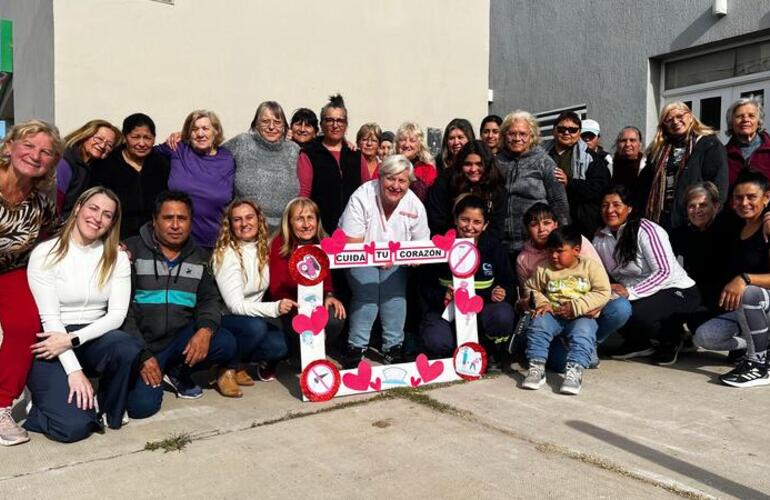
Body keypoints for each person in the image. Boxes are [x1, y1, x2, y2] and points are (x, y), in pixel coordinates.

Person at [25, 187, 141, 442]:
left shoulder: (117, 258)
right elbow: (50, 319)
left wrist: (74, 339)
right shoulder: (46, 253)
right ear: (78, 208)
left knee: (126, 346)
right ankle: (42, 408)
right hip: (51, 340)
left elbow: (116, 316)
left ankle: (108, 409)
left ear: (112, 223)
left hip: (89, 336)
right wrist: (74, 371)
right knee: (73, 428)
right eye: (93, 208)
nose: (98, 218)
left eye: (107, 214)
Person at [123, 191, 237, 418]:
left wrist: (205, 330)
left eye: (182, 219)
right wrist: (142, 355)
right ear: (155, 221)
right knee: (140, 408)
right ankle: (150, 371)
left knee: (225, 342)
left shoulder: (200, 257)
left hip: (177, 342)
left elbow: (208, 300)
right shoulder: (130, 251)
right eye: (168, 218)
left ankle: (176, 372)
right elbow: (122, 312)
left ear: (191, 223)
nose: (175, 225)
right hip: (141, 346)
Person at [0, 120, 63, 446]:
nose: (36, 155)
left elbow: (60, 233)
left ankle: (1, 404)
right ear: (9, 146)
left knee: (26, 323)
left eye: (46, 152)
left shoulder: (40, 202)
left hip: (12, 270)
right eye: (28, 146)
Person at [338, 155, 430, 367]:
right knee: (368, 291)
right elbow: (353, 243)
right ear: (380, 177)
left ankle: (393, 347)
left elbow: (421, 245)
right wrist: (380, 257)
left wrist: (408, 258)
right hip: (359, 254)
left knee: (394, 293)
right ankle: (356, 346)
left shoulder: (414, 204)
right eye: (390, 179)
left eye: (402, 181)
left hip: (395, 259)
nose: (396, 186)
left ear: (409, 183)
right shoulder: (362, 196)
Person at [594, 185, 701, 365]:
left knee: (634, 313)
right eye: (605, 205)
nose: (610, 210)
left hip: (675, 289)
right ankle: (640, 343)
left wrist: (629, 293)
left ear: (629, 208)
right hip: (637, 292)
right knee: (613, 308)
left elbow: (664, 272)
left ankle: (673, 338)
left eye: (616, 205)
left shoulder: (647, 230)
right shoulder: (600, 237)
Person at [516, 203, 630, 370]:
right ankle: (559, 348)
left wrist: (586, 307)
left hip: (584, 309)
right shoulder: (524, 259)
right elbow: (529, 293)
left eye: (547, 223)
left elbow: (600, 284)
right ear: (527, 229)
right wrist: (539, 304)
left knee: (620, 308)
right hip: (553, 314)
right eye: (534, 225)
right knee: (560, 364)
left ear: (555, 224)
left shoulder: (576, 241)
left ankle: (588, 343)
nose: (541, 229)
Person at [694, 170, 770, 386]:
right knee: (704, 337)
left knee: (749, 292)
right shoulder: (734, 225)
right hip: (746, 309)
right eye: (738, 197)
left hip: (761, 300)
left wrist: (745, 279)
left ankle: (759, 365)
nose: (744, 202)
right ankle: (761, 346)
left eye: (751, 197)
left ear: (766, 198)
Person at [420, 194, 516, 363]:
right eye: (465, 220)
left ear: (485, 225)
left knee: (503, 315)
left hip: (482, 310)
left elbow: (508, 281)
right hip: (445, 311)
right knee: (437, 341)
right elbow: (424, 285)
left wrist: (501, 292)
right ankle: (450, 350)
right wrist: (443, 295)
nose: (470, 227)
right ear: (456, 220)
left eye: (477, 222)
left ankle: (490, 350)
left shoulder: (494, 248)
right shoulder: (440, 246)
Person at [211, 199, 293, 395]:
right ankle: (226, 369)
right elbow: (235, 306)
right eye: (237, 220)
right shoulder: (226, 254)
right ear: (229, 225)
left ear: (259, 219)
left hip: (252, 319)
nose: (244, 223)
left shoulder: (265, 248)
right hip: (224, 321)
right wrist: (274, 308)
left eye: (249, 217)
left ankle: (240, 364)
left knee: (283, 343)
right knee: (255, 327)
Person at [521, 225, 611, 395]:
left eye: (560, 251)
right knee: (538, 324)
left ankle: (574, 371)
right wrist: (542, 303)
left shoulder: (590, 267)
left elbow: (603, 292)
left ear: (576, 250)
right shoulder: (543, 269)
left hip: (581, 316)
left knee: (584, 332)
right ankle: (536, 367)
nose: (554, 256)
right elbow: (531, 289)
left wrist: (577, 306)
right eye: (551, 251)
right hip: (552, 315)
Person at [268, 197, 346, 361]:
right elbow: (278, 289)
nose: (306, 224)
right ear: (289, 222)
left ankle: (318, 349)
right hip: (289, 307)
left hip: (314, 302)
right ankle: (297, 352)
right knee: (299, 327)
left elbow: (326, 281)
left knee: (335, 316)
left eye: (310, 218)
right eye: (299, 219)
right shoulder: (279, 244)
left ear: (317, 221)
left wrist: (329, 296)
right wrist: (305, 308)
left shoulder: (322, 243)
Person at [638, 101, 728, 232]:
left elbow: (719, 183)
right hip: (662, 218)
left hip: (695, 218)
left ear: (690, 116)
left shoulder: (709, 144)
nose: (675, 122)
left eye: (680, 116)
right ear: (664, 125)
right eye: (669, 119)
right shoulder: (658, 150)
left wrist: (714, 216)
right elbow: (644, 185)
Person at [495, 110, 569, 259]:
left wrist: (563, 238)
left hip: (535, 243)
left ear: (531, 137)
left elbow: (559, 202)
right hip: (501, 243)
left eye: (522, 134)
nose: (517, 138)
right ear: (504, 135)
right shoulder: (497, 161)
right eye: (512, 133)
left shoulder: (544, 162)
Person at [158, 110, 235, 249]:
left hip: (215, 243)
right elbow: (142, 150)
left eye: (205, 128)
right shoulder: (178, 148)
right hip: (177, 242)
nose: (200, 134)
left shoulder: (228, 158)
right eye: (194, 129)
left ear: (216, 131)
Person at [90, 113, 169, 239]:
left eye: (147, 138)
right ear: (125, 137)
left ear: (154, 138)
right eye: (135, 137)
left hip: (152, 239)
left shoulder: (161, 164)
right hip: (115, 237)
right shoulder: (107, 164)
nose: (142, 143)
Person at [224, 101, 300, 231]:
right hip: (245, 229)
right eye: (265, 121)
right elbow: (211, 153)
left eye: (277, 122)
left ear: (284, 126)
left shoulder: (294, 150)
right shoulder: (242, 143)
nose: (271, 127)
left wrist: (343, 143)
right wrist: (183, 139)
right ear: (256, 124)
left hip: (284, 232)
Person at [297, 94, 362, 234]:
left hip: (354, 232)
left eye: (340, 120)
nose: (335, 125)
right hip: (320, 230)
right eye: (329, 120)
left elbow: (367, 193)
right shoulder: (309, 154)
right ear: (321, 124)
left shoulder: (356, 156)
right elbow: (304, 196)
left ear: (346, 125)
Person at [671, 182, 727, 336]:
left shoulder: (728, 231)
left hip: (724, 300)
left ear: (715, 206)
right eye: (692, 206)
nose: (697, 210)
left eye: (703, 205)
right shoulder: (679, 235)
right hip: (694, 298)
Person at [544, 111, 611, 239]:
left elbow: (599, 188)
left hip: (579, 224)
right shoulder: (540, 155)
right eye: (562, 129)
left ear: (579, 133)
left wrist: (569, 182)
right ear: (554, 130)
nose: (567, 133)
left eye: (572, 130)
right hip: (546, 221)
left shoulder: (591, 158)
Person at [426, 140, 506, 239]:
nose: (473, 169)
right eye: (468, 164)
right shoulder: (444, 184)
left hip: (485, 246)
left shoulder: (496, 189)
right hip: (449, 243)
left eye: (479, 164)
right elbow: (436, 221)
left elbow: (496, 228)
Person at [56, 119, 123, 218]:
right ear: (85, 135)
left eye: (109, 145)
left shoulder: (95, 168)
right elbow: (54, 205)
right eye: (99, 139)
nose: (103, 146)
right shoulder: (65, 163)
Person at [725, 98, 770, 185]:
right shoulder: (723, 154)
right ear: (731, 123)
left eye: (751, 116)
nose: (745, 120)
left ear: (759, 122)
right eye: (739, 116)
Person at [394, 121, 438, 200]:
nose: (407, 144)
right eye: (402, 140)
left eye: (412, 140)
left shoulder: (428, 170)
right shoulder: (389, 166)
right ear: (397, 144)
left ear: (419, 145)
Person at [612, 126, 646, 198]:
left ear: (640, 144)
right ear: (617, 144)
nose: (627, 144)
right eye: (623, 140)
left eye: (632, 140)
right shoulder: (609, 166)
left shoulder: (647, 167)